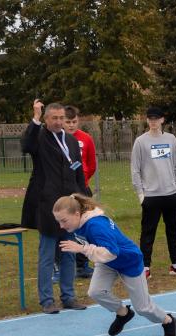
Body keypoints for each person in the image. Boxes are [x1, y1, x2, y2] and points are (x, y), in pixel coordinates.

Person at [53, 194, 176, 336]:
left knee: (143, 308)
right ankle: (123, 313)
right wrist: (85, 248)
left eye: (63, 221)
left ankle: (169, 321)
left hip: (128, 261)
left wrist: (82, 249)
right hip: (108, 262)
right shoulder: (77, 223)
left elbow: (112, 252)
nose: (61, 226)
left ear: (76, 214)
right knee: (96, 292)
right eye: (58, 221)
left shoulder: (96, 225)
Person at [21, 99, 87, 314]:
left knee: (69, 253)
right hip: (47, 206)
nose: (59, 122)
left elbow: (77, 170)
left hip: (69, 205)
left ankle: (68, 297)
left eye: (62, 118)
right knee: (48, 255)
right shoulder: (39, 137)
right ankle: (47, 300)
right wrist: (35, 119)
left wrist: (83, 198)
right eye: (54, 118)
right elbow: (26, 146)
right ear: (47, 119)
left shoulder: (70, 140)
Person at [131, 106, 176, 278]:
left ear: (162, 120)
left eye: (156, 118)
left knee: (173, 231)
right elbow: (135, 170)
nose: (153, 121)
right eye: (150, 118)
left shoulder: (171, 139)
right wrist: (141, 195)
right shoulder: (140, 141)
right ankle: (145, 268)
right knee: (148, 232)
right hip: (151, 196)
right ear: (147, 120)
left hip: (171, 195)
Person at [63, 105, 98, 278]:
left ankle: (82, 264)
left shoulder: (86, 139)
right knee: (64, 227)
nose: (71, 125)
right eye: (68, 122)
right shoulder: (57, 139)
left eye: (74, 122)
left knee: (84, 226)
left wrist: (83, 181)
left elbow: (91, 165)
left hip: (82, 189)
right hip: (63, 190)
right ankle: (60, 265)